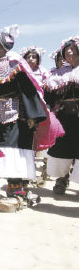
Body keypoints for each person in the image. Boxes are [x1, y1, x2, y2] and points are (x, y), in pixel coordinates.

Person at [0, 25, 47, 210]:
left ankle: (16, 192)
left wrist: (30, 115)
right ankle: (19, 190)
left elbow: (27, 88)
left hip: (17, 114)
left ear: (5, 43)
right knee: (4, 149)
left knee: (14, 150)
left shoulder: (16, 62)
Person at [44, 37, 79, 194]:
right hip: (64, 117)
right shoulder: (59, 74)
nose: (69, 52)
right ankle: (62, 179)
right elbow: (49, 96)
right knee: (63, 150)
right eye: (66, 51)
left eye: (72, 49)